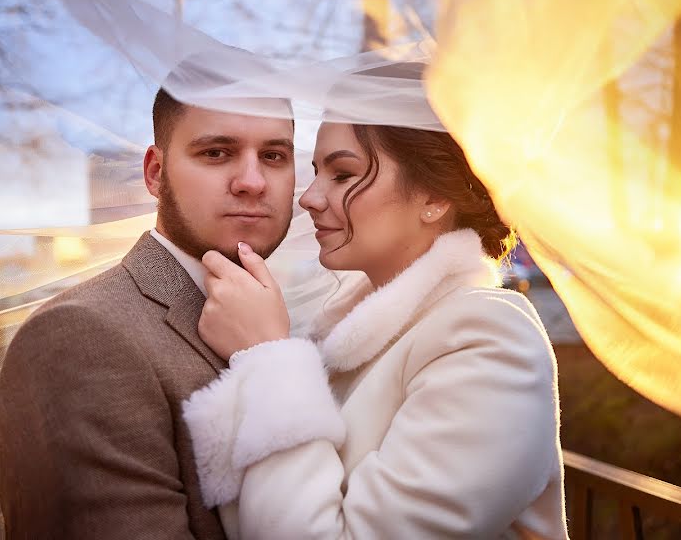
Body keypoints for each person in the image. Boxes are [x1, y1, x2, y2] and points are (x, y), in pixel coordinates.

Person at [184, 112, 569, 538]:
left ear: (433, 198)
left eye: (343, 174)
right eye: (315, 173)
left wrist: (268, 356)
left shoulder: (488, 339)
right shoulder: (344, 337)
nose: (309, 198)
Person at [0, 89, 296, 539]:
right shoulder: (80, 336)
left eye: (273, 155)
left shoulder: (289, 320)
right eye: (217, 153)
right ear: (156, 174)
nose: (252, 181)